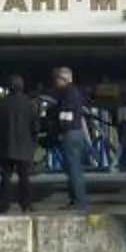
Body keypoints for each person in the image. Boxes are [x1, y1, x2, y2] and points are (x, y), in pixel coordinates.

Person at [48, 67, 94, 210]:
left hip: (70, 133)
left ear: (63, 79)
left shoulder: (68, 93)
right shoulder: (74, 92)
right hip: (76, 132)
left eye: (56, 79)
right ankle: (76, 200)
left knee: (74, 169)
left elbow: (66, 115)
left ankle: (79, 201)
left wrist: (57, 126)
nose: (55, 83)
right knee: (74, 168)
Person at [0, 72, 42, 212]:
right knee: (24, 177)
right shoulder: (29, 104)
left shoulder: (1, 104)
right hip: (24, 145)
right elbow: (35, 125)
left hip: (6, 145)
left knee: (5, 177)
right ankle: (26, 204)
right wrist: (34, 140)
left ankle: (4, 205)